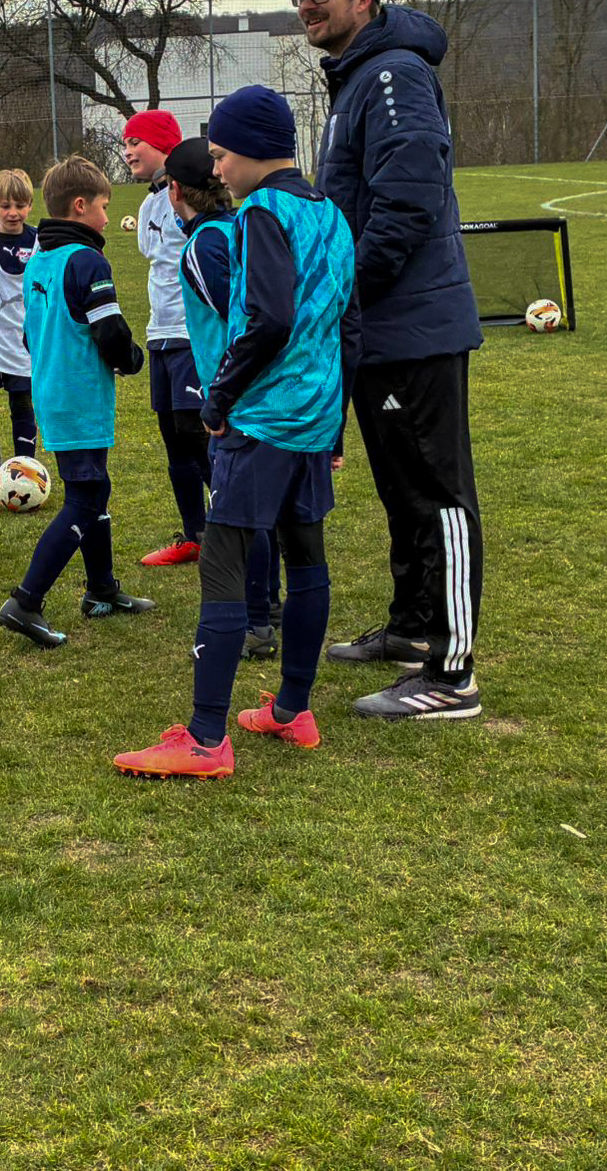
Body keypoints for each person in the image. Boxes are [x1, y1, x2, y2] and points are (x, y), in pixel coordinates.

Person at [113, 90, 352, 778]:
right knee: (306, 557)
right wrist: (333, 419)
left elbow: (268, 320)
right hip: (311, 416)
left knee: (222, 559)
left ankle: (206, 737)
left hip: (263, 417)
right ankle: (291, 710)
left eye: (219, 155)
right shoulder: (328, 212)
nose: (216, 170)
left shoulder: (263, 215)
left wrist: (219, 396)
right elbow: (346, 326)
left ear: (249, 150)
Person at [284, 0, 485, 721]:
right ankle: (410, 629)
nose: (309, 5)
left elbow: (406, 203)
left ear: (364, 0)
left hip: (414, 326)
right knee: (401, 489)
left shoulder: (395, 76)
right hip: (382, 329)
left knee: (438, 494)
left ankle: (454, 672)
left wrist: (345, 293)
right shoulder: (357, 79)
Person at [0, 155, 155, 648]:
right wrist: (132, 359)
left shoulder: (39, 260)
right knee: (84, 499)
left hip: (51, 391)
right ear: (81, 205)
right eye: (105, 207)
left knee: (95, 488)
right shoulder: (87, 260)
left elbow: (28, 334)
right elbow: (108, 330)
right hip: (80, 394)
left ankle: (101, 589)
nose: (109, 218)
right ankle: (26, 600)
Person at [165, 137, 281, 660]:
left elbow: (241, 318)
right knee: (261, 510)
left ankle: (257, 620)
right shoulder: (237, 228)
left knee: (237, 516)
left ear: (175, 193)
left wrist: (225, 391)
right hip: (260, 387)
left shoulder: (204, 244)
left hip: (237, 394)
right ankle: (269, 607)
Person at [122, 109, 207, 568]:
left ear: (163, 144)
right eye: (126, 143)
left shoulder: (191, 196)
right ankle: (195, 535)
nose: (128, 150)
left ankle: (239, 531)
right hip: (161, 335)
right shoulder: (150, 202)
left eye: (136, 141)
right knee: (174, 439)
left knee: (201, 439)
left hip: (192, 336)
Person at [0, 168, 39, 467]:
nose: (13, 213)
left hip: (24, 344)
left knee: (23, 406)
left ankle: (25, 468)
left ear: (29, 205)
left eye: (19, 205)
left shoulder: (41, 242)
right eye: (5, 206)